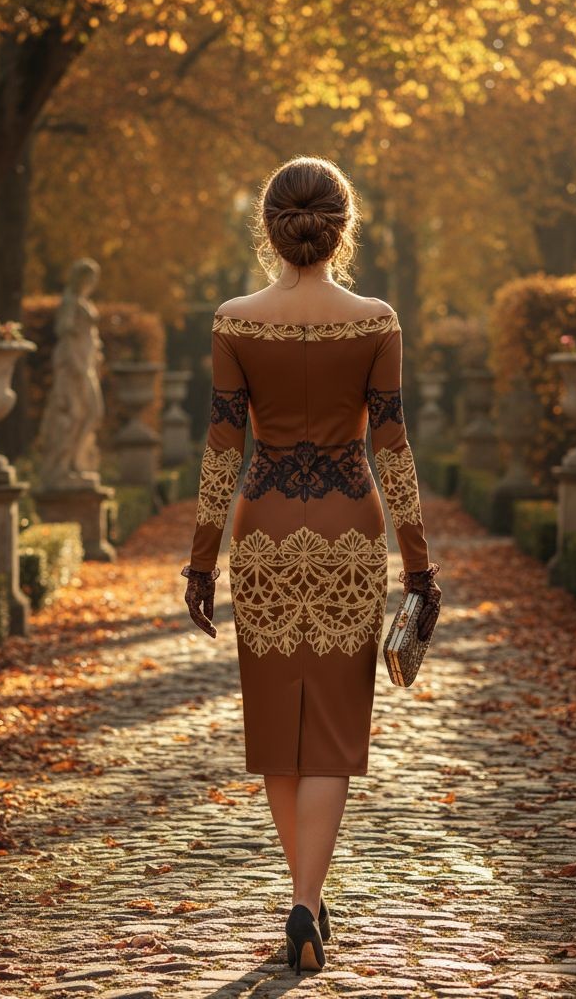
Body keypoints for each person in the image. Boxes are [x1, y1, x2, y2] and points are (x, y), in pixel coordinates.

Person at [181, 155, 442, 974]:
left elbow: (222, 447)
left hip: (263, 533)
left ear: (269, 227)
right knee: (330, 730)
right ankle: (306, 900)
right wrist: (419, 565)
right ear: (341, 226)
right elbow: (392, 447)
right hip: (348, 535)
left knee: (277, 729)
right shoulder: (376, 320)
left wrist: (200, 562)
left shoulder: (234, 320)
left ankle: (304, 898)